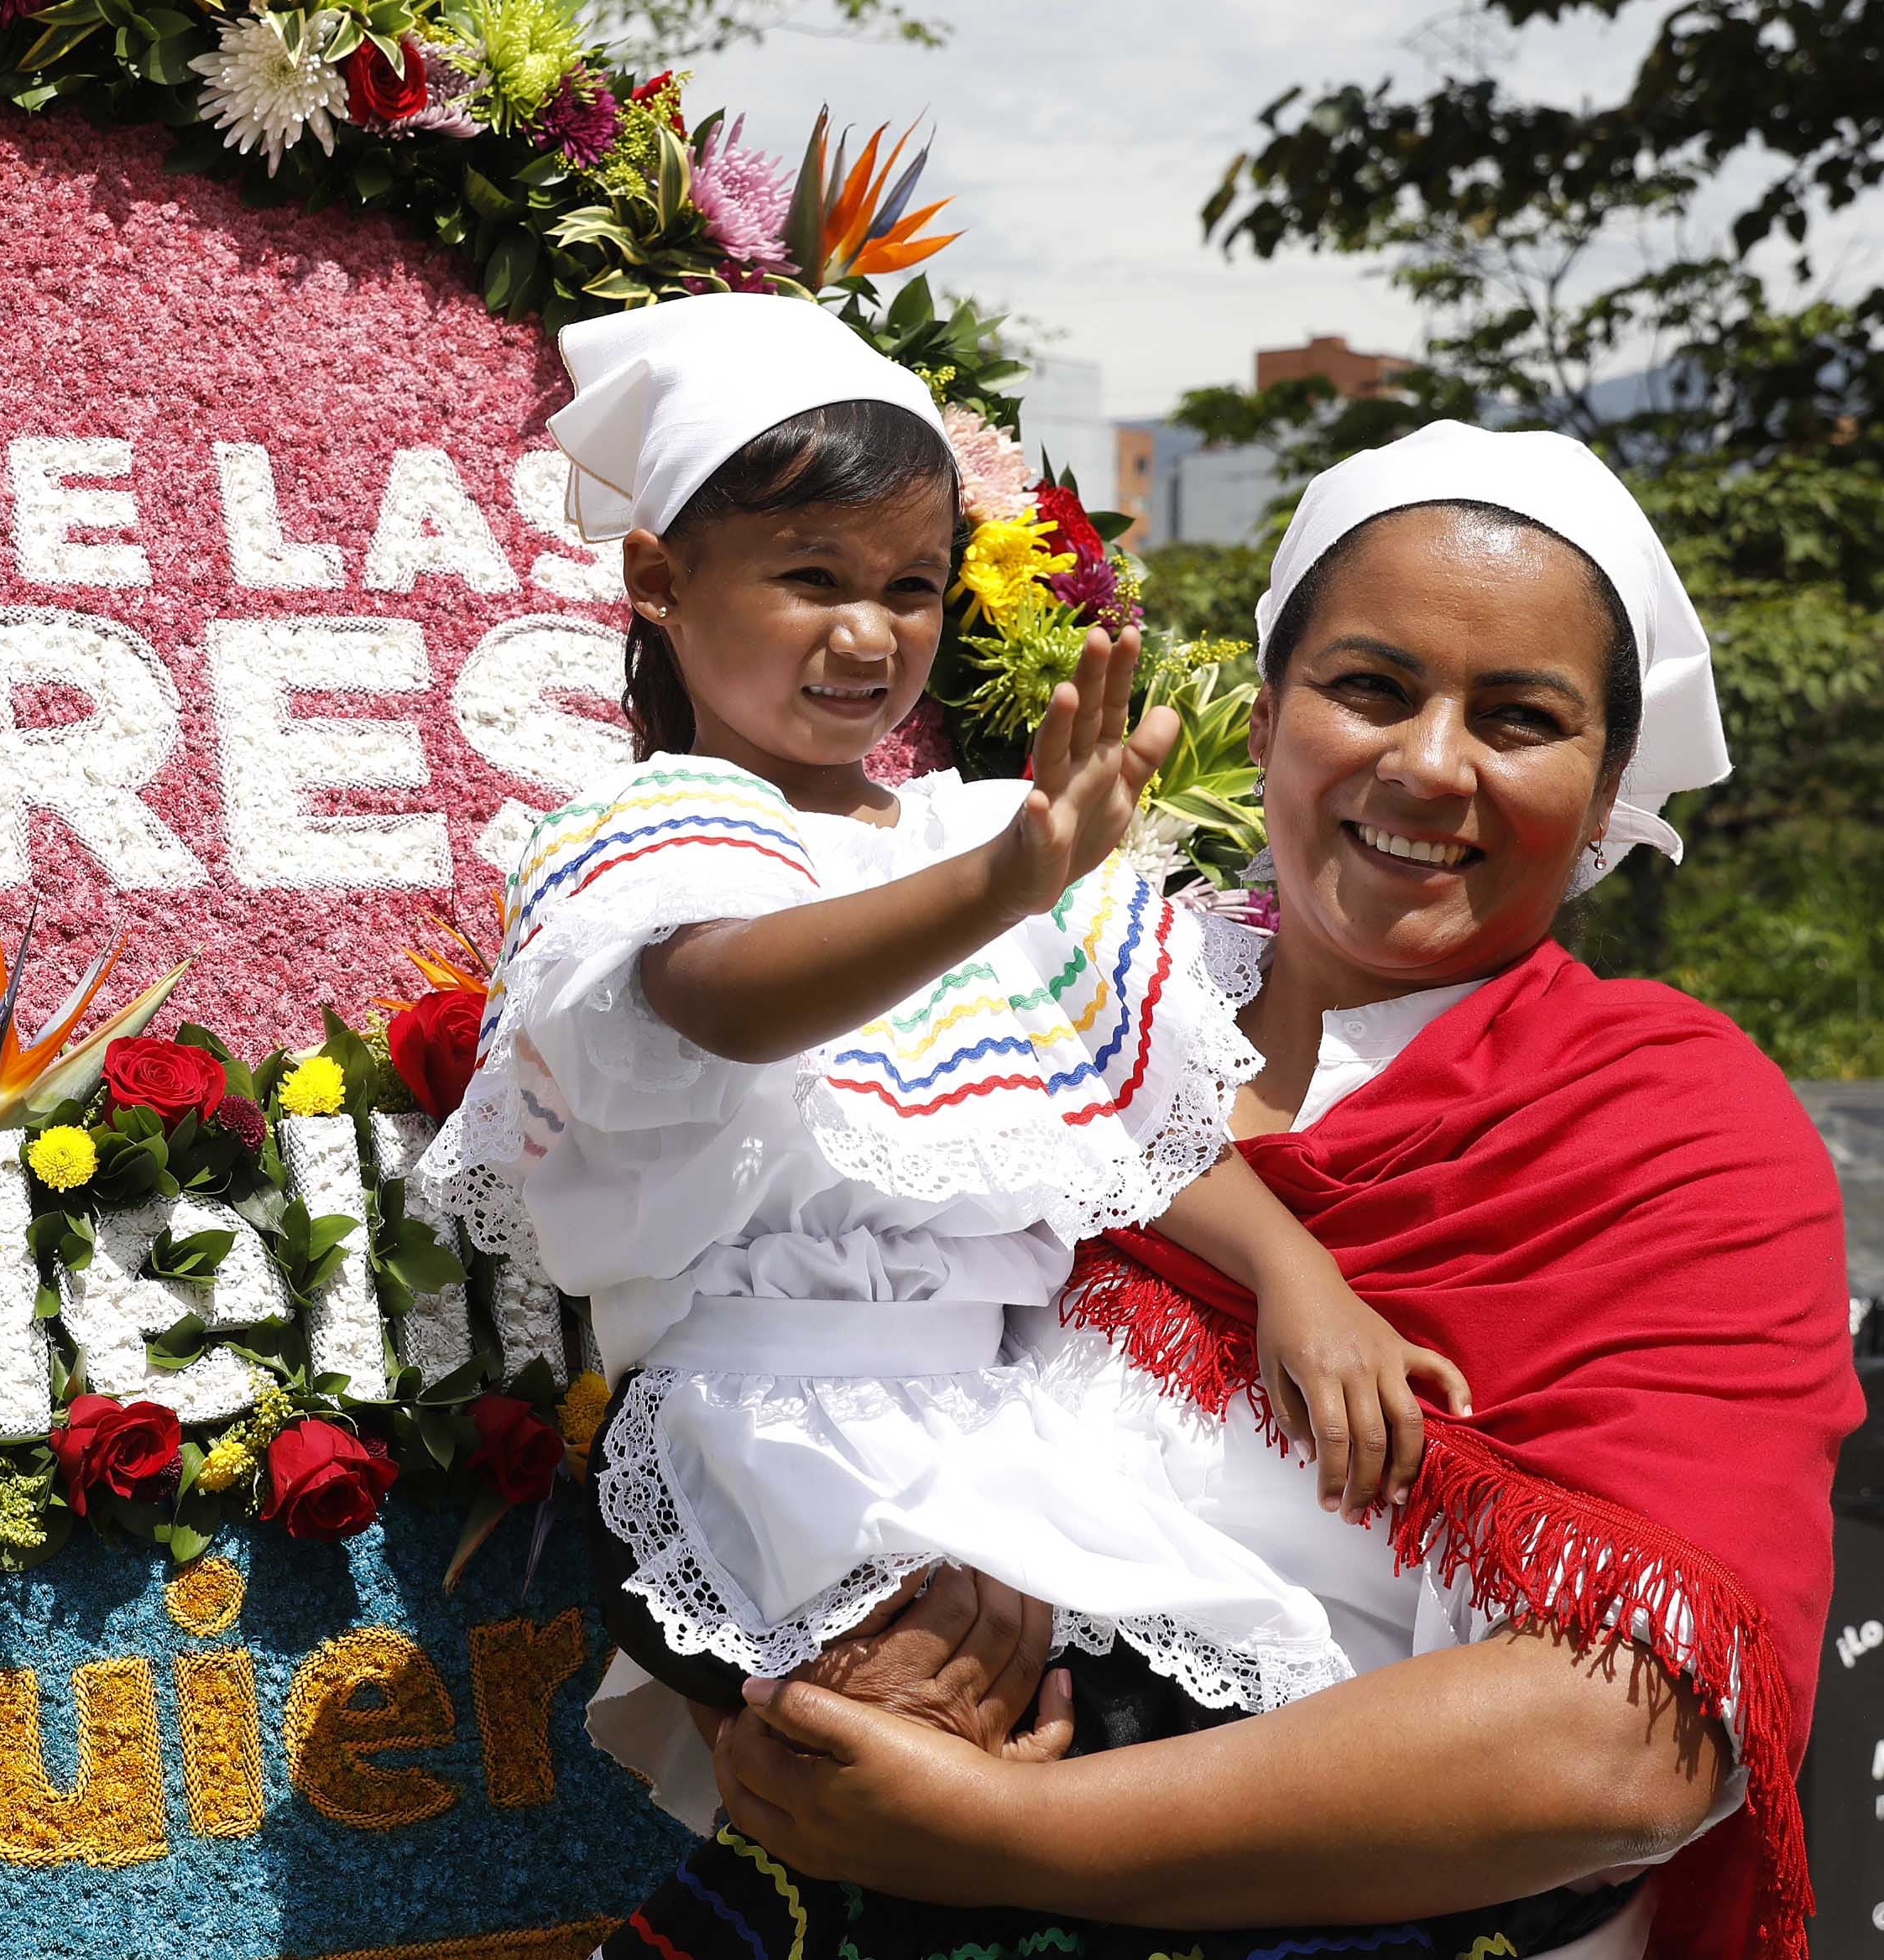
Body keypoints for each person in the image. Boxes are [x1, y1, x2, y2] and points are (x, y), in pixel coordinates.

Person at [626, 423, 1862, 1960]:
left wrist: (1006, 1835)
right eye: (1372, 687)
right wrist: (833, 1689)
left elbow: (1634, 1736)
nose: (1430, 764)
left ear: (1608, 787)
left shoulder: (1665, 1119)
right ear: (1268, 716)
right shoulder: (1037, 1008)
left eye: (1521, 717)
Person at [428, 295, 1470, 1843]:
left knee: (1237, 1712)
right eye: (812, 578)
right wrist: (997, 892)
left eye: (910, 587)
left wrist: (1297, 1278)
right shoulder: (643, 832)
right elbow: (724, 999)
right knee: (889, 1770)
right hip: (769, 1432)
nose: (870, 635)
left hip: (1012, 1416)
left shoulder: (976, 831)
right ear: (659, 580)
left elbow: (1129, 1115)